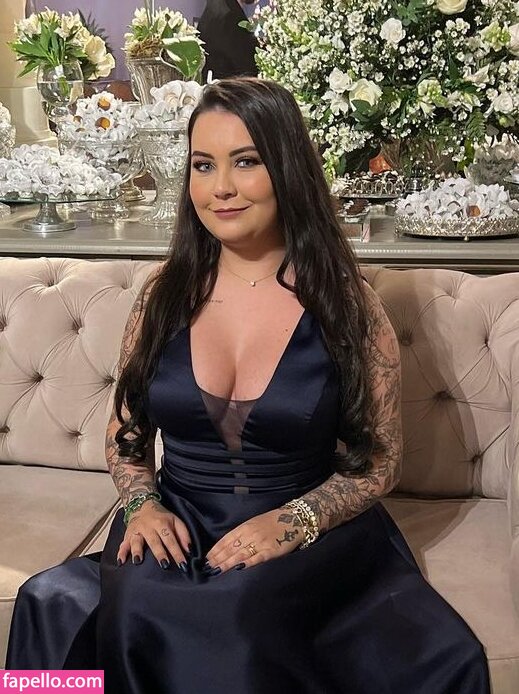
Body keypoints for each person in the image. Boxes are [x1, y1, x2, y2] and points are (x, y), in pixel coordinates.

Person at [7, 78, 490, 694]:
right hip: (179, 520)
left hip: (307, 531)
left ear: (287, 169)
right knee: (56, 600)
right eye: (203, 165)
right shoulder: (161, 296)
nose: (221, 188)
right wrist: (142, 505)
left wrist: (293, 522)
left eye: (246, 161)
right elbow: (126, 435)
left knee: (238, 620)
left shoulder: (347, 306)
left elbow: (380, 461)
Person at [198, 0, 258, 80]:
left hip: (214, 82)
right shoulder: (230, 17)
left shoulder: (216, 6)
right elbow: (246, 67)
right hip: (228, 84)